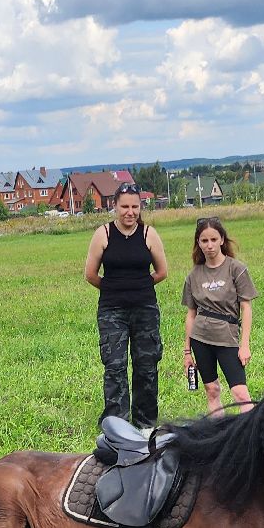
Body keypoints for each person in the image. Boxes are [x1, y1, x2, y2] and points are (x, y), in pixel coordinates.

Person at [83, 183, 169, 430]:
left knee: (147, 366)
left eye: (134, 206)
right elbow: (90, 274)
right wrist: (114, 287)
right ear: (115, 207)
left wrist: (139, 284)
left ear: (140, 207)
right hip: (112, 311)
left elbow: (162, 272)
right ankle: (117, 424)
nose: (130, 212)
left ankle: (145, 423)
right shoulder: (103, 234)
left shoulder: (149, 234)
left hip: (145, 309)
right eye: (124, 207)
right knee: (115, 367)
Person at [180, 217, 257, 414]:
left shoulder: (236, 269)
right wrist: (187, 351)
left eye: (214, 239)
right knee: (212, 390)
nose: (210, 245)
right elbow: (191, 314)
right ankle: (219, 437)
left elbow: (246, 307)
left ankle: (248, 437)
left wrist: (245, 345)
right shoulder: (193, 275)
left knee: (241, 394)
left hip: (228, 339)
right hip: (201, 339)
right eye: (204, 241)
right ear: (198, 243)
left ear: (222, 239)